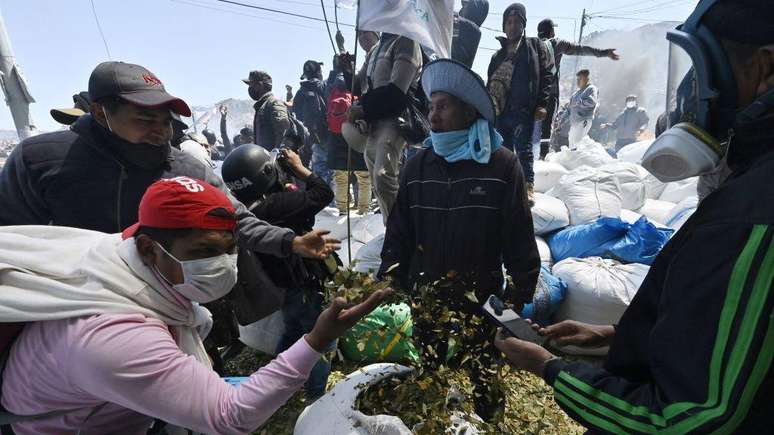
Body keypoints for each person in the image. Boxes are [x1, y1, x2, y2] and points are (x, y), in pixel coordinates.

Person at [494, 1, 774, 432]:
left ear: (764, 69)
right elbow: (716, 338)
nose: (691, 93)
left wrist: (552, 369)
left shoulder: (750, 217)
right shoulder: (747, 190)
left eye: (704, 72)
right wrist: (617, 339)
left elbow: (688, 420)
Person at [0, 177, 389, 434]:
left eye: (230, 249)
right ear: (149, 248)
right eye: (204, 251)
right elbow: (231, 416)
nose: (223, 264)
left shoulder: (118, 258)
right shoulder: (113, 336)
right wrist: (317, 339)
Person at [0, 61, 338, 340]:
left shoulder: (184, 167)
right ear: (102, 112)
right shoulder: (40, 160)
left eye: (165, 122)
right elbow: (12, 241)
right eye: (145, 120)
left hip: (163, 306)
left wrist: (290, 241)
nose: (160, 132)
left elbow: (234, 217)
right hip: (69, 312)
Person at [380, 59, 540, 424]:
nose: (432, 116)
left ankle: (490, 420)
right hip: (428, 287)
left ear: (467, 112)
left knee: (485, 368)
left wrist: (517, 299)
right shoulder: (417, 166)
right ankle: (433, 418)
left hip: (484, 293)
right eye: (431, 106)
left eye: (443, 106)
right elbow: (400, 230)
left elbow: (518, 236)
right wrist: (391, 277)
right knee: (429, 366)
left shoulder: (501, 165)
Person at [222, 145, 335, 400]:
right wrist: (299, 167)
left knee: (293, 330)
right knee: (322, 338)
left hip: (281, 287)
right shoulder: (280, 205)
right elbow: (323, 193)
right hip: (305, 285)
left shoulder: (246, 212)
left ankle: (278, 384)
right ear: (267, 173)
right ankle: (317, 396)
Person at [349, 31, 422, 222]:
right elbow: (358, 86)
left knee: (383, 176)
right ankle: (392, 229)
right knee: (376, 180)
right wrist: (347, 69)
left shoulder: (407, 41)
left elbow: (397, 93)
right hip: (374, 123)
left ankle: (400, 232)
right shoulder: (376, 49)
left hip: (394, 121)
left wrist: (363, 109)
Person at [487, 3, 553, 205]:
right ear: (504, 26)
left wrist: (542, 104)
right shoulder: (497, 55)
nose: (512, 26)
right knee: (503, 153)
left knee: (523, 151)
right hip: (501, 112)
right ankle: (505, 187)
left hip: (523, 111)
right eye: (509, 22)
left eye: (517, 22)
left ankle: (527, 188)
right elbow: (489, 83)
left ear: (524, 24)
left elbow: (547, 75)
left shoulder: (534, 46)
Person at [537, 18, 619, 141]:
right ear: (551, 32)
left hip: (532, 95)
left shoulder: (531, 45)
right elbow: (581, 49)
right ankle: (542, 156)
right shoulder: (557, 44)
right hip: (550, 93)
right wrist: (603, 53)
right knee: (546, 129)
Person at [327, 51, 372, 216]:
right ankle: (364, 210)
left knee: (340, 176)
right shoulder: (353, 80)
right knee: (364, 176)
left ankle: (343, 210)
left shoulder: (330, 85)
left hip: (335, 134)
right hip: (354, 130)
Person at [294, 60, 333, 191]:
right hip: (328, 133)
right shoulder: (324, 86)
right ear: (319, 72)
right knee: (332, 169)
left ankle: (321, 196)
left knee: (318, 167)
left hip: (310, 136)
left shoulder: (301, 91)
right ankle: (332, 200)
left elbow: (296, 114)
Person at [244, 70, 291, 150]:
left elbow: (283, 131)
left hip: (273, 160)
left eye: (251, 84)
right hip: (264, 160)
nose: (250, 88)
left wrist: (276, 155)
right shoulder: (262, 106)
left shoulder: (273, 103)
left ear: (259, 85)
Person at [451, 0, 489, 68]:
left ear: (474, 10)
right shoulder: (457, 26)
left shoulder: (473, 31)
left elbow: (450, 15)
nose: (463, 8)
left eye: (467, 5)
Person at [567, 69, 598, 147]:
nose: (578, 81)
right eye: (577, 79)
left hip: (583, 120)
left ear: (587, 79)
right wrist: (560, 122)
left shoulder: (591, 88)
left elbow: (592, 102)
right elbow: (568, 109)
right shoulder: (575, 93)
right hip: (574, 123)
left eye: (580, 79)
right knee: (572, 145)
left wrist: (579, 103)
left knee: (578, 143)